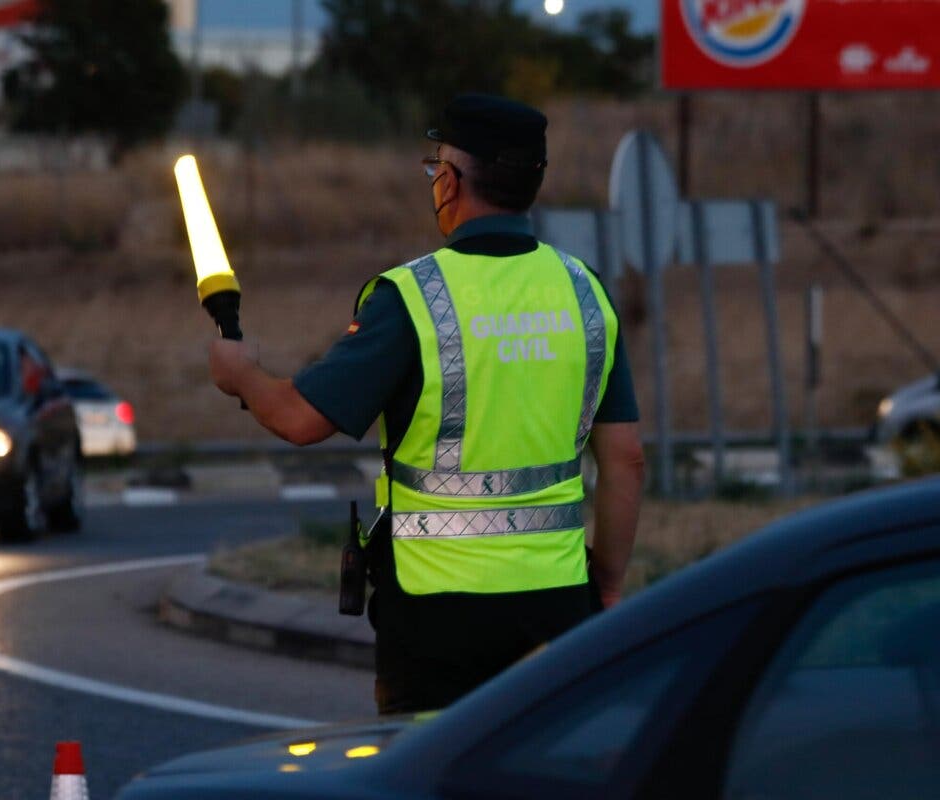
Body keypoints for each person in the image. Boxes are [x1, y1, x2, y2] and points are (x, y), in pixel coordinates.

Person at [208, 94, 645, 715]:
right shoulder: (585, 293)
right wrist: (606, 583)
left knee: (426, 773)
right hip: (558, 605)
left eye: (434, 166)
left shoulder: (411, 297)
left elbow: (300, 419)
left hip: (435, 617)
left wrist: (242, 375)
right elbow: (625, 461)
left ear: (450, 180)